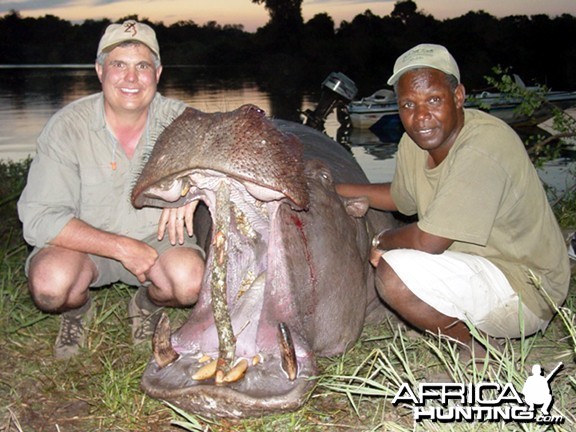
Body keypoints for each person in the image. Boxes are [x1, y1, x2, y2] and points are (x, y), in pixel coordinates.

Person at [337, 43, 570, 359]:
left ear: (458, 96)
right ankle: (455, 313)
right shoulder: (414, 142)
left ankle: (478, 349)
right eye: (408, 104)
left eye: (433, 100)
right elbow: (400, 197)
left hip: (528, 288)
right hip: (481, 266)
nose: (421, 117)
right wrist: (335, 189)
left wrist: (382, 240)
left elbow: (428, 241)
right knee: (403, 270)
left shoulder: (483, 146)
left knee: (394, 276)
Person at [17, 20, 205, 360]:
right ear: (100, 71)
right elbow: (39, 218)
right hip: (84, 245)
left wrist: (194, 185)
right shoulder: (66, 126)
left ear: (158, 72)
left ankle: (145, 304)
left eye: (142, 66)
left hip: (159, 244)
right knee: (50, 287)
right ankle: (78, 309)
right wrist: (121, 247)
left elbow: (231, 150)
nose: (131, 78)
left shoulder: (184, 121)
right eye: (119, 65)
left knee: (188, 282)